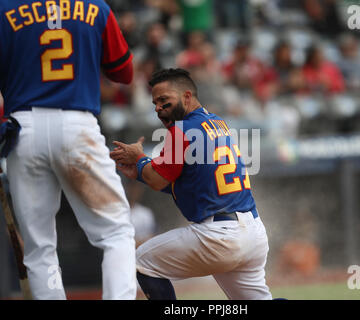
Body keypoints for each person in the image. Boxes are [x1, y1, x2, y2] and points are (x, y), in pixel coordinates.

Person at [0, 0, 137, 299]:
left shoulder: (4, 8)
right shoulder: (95, 7)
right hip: (77, 126)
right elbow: (124, 73)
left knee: (39, 248)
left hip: (23, 128)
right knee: (116, 233)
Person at [110, 68, 272, 300]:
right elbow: (184, 182)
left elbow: (157, 180)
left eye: (164, 100)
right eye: (155, 102)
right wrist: (139, 171)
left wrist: (140, 159)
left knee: (141, 262)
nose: (158, 108)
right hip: (253, 233)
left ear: (187, 96)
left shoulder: (182, 129)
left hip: (219, 235)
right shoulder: (218, 122)